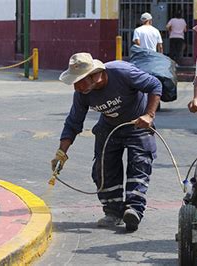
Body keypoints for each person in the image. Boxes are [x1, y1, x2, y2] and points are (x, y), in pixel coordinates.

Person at [52, 52, 162, 232]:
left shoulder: (122, 72)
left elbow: (155, 85)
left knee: (139, 165)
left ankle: (133, 209)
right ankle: (113, 212)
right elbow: (73, 123)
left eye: (79, 81)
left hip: (137, 124)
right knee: (103, 169)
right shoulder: (82, 93)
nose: (77, 87)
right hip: (109, 126)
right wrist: (61, 153)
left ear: (95, 75)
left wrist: (149, 115)